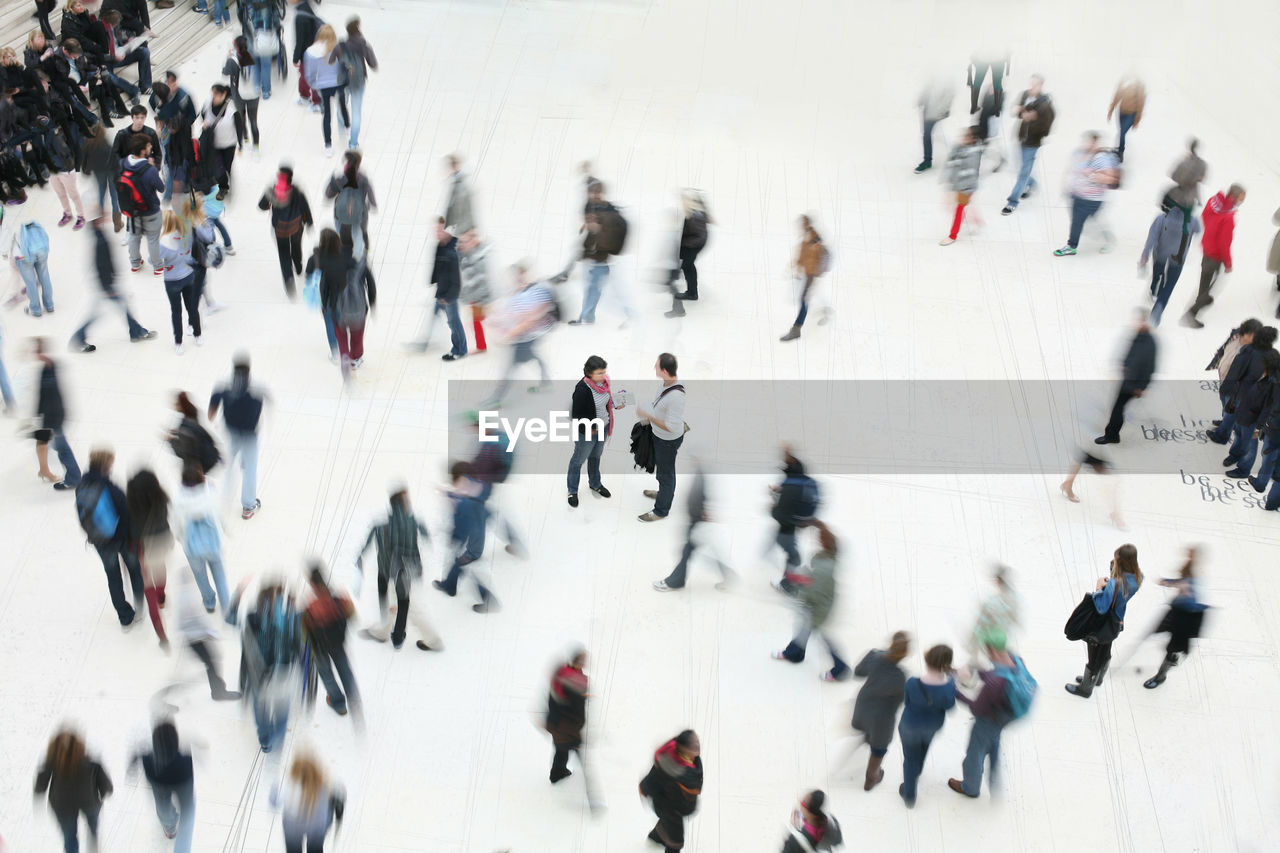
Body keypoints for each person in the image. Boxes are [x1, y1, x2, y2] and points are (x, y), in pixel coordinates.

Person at [947, 630, 1033, 798]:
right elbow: (999, 676)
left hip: (989, 720)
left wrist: (956, 692)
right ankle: (993, 774)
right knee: (993, 740)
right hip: (1007, 716)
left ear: (992, 650)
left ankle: (970, 787)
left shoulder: (994, 683)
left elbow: (976, 709)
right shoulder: (1016, 660)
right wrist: (978, 673)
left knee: (974, 754)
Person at [357, 487, 445, 651]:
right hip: (408, 571)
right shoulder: (412, 521)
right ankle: (384, 632)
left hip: (393, 573)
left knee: (410, 607)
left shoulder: (382, 526)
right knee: (399, 604)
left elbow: (368, 548)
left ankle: (433, 640)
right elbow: (427, 537)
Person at [771, 521, 849, 681]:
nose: (816, 542)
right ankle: (795, 654)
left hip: (818, 608)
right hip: (821, 603)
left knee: (822, 635)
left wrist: (798, 588)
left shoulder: (823, 568)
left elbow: (811, 591)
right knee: (804, 630)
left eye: (819, 540)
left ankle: (840, 669)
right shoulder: (829, 557)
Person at [75, 447, 145, 627]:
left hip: (100, 541)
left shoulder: (82, 486)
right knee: (134, 569)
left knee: (113, 577)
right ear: (106, 465)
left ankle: (124, 615)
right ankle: (140, 605)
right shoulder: (112, 489)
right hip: (122, 539)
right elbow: (127, 515)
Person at [1065, 543, 1143, 698]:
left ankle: (1086, 688)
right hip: (1116, 621)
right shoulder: (1138, 577)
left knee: (1094, 655)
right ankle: (1098, 679)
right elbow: (1121, 593)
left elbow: (1101, 606)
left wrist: (1100, 587)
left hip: (1102, 622)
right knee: (1105, 650)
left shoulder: (1114, 584)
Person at [232, 580, 301, 752]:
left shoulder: (253, 618)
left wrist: (238, 595)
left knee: (260, 707)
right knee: (282, 711)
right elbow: (300, 643)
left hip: (258, 673)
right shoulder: (291, 618)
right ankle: (277, 737)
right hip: (282, 671)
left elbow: (231, 620)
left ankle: (265, 740)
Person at [71, 217, 156, 351]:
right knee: (99, 313)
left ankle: (136, 332)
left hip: (107, 282)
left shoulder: (99, 237)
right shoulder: (100, 242)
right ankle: (78, 339)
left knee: (119, 307)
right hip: (107, 284)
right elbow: (103, 265)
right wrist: (110, 286)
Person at [480, 261, 555, 405]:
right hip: (532, 334)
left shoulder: (534, 293)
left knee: (510, 367)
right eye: (515, 277)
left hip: (528, 336)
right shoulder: (519, 291)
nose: (516, 280)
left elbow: (528, 321)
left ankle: (496, 399)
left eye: (520, 276)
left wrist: (508, 336)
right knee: (533, 356)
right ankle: (546, 382)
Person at [653, 459, 733, 591]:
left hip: (697, 524)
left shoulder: (700, 477)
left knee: (688, 553)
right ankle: (729, 576)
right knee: (693, 552)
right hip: (698, 523)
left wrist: (697, 518)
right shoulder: (701, 474)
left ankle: (675, 582)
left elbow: (697, 501)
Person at [846, 631, 909, 791]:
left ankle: (867, 736)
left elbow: (858, 672)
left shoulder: (874, 656)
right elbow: (901, 701)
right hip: (883, 719)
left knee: (866, 729)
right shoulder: (900, 677)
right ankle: (871, 777)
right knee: (879, 748)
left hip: (863, 706)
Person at [434, 461, 499, 613]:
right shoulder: (476, 488)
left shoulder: (465, 502)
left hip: (472, 543)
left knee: (467, 568)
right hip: (476, 537)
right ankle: (449, 586)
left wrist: (454, 537)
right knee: (459, 564)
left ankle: (489, 600)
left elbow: (462, 524)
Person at [897, 644, 956, 808]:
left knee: (910, 757)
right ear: (947, 665)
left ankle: (909, 794)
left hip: (909, 725)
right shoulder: (948, 688)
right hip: (932, 726)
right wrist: (953, 679)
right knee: (923, 748)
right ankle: (917, 771)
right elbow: (950, 707)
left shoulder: (912, 683)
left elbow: (906, 702)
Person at [34, 729, 113, 853]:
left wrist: (39, 794)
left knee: (69, 837)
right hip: (90, 801)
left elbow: (40, 784)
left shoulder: (51, 762)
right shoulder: (91, 761)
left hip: (62, 805)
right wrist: (102, 795)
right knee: (93, 824)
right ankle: (93, 841)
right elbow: (107, 786)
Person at [209, 354, 267, 520]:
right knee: (250, 469)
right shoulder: (256, 390)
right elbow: (259, 412)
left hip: (231, 432)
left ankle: (223, 504)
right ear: (249, 372)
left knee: (229, 467)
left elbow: (211, 414)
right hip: (250, 435)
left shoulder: (223, 387)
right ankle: (248, 506)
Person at [1144, 546, 1209, 689]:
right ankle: (1171, 657)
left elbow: (1182, 586)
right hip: (1177, 613)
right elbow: (1179, 582)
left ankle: (1161, 676)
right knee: (1168, 640)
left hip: (1184, 619)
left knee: (1173, 648)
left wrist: (1168, 583)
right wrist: (1166, 582)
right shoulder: (1189, 574)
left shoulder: (1190, 584)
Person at [1182, 184, 1246, 328]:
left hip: (1207, 248)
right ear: (1233, 197)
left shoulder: (1214, 202)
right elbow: (1225, 244)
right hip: (1216, 255)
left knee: (1206, 278)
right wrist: (1228, 264)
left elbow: (1204, 216)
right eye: (1241, 198)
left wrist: (1212, 231)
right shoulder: (1228, 217)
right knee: (1212, 282)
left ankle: (1202, 297)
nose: (1242, 201)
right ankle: (1192, 312)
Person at [172, 460, 230, 617]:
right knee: (220, 575)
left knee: (200, 576)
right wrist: (224, 530)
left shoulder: (178, 500)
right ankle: (227, 607)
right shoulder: (210, 494)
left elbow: (176, 526)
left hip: (192, 548)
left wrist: (181, 539)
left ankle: (209, 602)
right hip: (213, 544)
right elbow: (219, 516)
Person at [303, 564, 361, 719]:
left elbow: (304, 632)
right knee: (345, 670)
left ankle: (338, 703)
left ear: (311, 583)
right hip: (337, 643)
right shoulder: (338, 597)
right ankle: (353, 698)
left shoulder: (311, 605)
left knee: (326, 674)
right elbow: (353, 615)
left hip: (319, 647)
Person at [567, 181, 628, 325]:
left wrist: (598, 227)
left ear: (601, 193)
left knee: (602, 292)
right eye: (591, 192)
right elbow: (590, 223)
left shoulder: (609, 208)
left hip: (603, 257)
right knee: (594, 291)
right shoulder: (588, 205)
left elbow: (613, 227)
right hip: (592, 255)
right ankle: (587, 318)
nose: (594, 195)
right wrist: (588, 225)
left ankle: (630, 316)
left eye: (596, 192)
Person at [566, 355, 623, 507]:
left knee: (596, 456)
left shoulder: (605, 383)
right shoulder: (582, 389)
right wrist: (589, 428)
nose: (603, 376)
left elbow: (606, 403)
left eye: (604, 372)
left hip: (603, 427)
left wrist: (616, 404)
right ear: (589, 373)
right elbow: (576, 415)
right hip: (587, 432)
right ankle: (572, 490)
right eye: (599, 373)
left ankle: (595, 483)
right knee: (578, 460)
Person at [129, 721, 195, 852]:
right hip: (182, 780)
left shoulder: (148, 759)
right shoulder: (185, 759)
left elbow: (139, 756)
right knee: (187, 813)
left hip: (158, 781)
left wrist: (133, 763)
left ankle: (170, 828)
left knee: (162, 806)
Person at [1094, 310, 1157, 445]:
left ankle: (1111, 435)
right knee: (1118, 407)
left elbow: (1149, 367)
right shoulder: (1140, 336)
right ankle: (1112, 434)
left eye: (1141, 321)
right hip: (1129, 380)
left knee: (1118, 408)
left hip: (1132, 384)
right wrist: (1124, 365)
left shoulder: (1148, 344)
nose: (1136, 323)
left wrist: (1141, 387)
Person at [126, 468, 172, 647]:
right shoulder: (161, 500)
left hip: (142, 547)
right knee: (160, 569)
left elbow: (131, 530)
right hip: (161, 542)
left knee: (147, 588)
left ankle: (161, 635)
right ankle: (162, 597)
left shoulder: (132, 506)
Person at [1054, 132, 1120, 256]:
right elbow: (1073, 171)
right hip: (1077, 195)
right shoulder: (1080, 154)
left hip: (1092, 199)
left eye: (1092, 142)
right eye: (1087, 141)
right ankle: (1074, 245)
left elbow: (1109, 179)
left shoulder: (1101, 158)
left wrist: (1090, 174)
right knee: (1079, 222)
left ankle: (1073, 245)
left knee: (1080, 222)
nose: (1088, 144)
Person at [1211, 324, 1276, 451]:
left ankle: (1222, 435)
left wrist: (1227, 387)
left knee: (1231, 412)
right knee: (1229, 410)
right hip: (1243, 388)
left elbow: (1239, 371)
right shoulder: (1271, 353)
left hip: (1240, 390)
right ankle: (1225, 425)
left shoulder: (1253, 352)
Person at [638, 353, 686, 521]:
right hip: (660, 437)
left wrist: (649, 417)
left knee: (666, 474)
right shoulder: (666, 383)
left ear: (664, 370)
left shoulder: (676, 397)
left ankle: (661, 510)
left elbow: (672, 427)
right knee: (663, 470)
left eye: (657, 365)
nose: (654, 367)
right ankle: (663, 493)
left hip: (667, 441)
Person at [1142, 193, 1201, 326]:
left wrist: (1144, 256)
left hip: (1160, 255)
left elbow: (1151, 239)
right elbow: (1197, 231)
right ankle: (1158, 308)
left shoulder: (1162, 218)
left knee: (1157, 274)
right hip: (1178, 259)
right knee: (1169, 285)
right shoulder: (1193, 221)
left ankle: (1154, 289)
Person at [639, 730, 703, 853]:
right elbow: (654, 778)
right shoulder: (670, 767)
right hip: (671, 808)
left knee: (667, 824)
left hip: (680, 803)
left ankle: (656, 838)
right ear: (683, 749)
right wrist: (645, 788)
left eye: (696, 740)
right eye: (692, 744)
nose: (697, 744)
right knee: (676, 841)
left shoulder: (692, 760)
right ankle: (660, 839)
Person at [1001, 75, 1054, 216]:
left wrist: (1033, 120)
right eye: (1031, 83)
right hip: (1020, 138)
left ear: (1041, 85)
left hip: (1032, 144)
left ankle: (1012, 202)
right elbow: (1016, 113)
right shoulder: (1025, 94)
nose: (1032, 87)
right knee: (1020, 168)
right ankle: (1033, 184)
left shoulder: (1046, 105)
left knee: (1023, 173)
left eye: (1035, 84)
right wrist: (1020, 111)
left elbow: (1046, 130)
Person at [32, 338, 82, 490]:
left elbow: (53, 399)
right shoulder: (47, 368)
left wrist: (51, 424)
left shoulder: (49, 371)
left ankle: (73, 478)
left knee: (62, 448)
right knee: (44, 443)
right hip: (47, 417)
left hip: (52, 418)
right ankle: (44, 470)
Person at [158, 210, 210, 354]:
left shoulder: (162, 242)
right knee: (192, 308)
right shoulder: (186, 235)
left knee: (176, 312)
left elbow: (152, 260)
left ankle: (178, 342)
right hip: (188, 276)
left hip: (172, 280)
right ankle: (197, 335)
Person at [768, 447, 820, 593]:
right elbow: (798, 468)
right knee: (794, 555)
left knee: (793, 556)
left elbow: (780, 514)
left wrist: (773, 506)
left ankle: (787, 585)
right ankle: (790, 580)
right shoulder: (801, 481)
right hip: (793, 525)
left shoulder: (789, 488)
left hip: (786, 529)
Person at [1206, 318, 1263, 447]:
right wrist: (1219, 355)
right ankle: (1224, 421)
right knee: (1224, 402)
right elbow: (1225, 347)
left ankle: (1221, 436)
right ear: (1245, 332)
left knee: (1231, 412)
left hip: (1237, 388)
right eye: (1251, 335)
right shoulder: (1235, 335)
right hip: (1225, 378)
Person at [1224, 344, 1279, 479]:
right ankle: (1235, 454)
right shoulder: (1263, 372)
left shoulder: (1274, 383)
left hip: (1253, 419)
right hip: (1244, 410)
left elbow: (1268, 408)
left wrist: (1258, 427)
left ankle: (1243, 469)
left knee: (1250, 445)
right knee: (1238, 434)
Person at [271, 754, 344, 853]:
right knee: (315, 849)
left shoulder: (286, 786)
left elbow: (273, 802)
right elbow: (338, 799)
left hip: (293, 828)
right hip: (318, 827)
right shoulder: (326, 785)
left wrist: (275, 787)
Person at [258, 166, 313, 296]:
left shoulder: (272, 191)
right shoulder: (297, 191)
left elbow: (261, 206)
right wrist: (309, 222)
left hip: (279, 229)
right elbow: (305, 208)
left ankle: (288, 279)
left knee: (283, 254)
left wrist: (270, 203)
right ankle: (298, 267)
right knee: (296, 246)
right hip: (296, 227)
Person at [779, 215, 828, 341]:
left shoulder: (815, 238)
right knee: (807, 297)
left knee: (804, 299)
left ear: (807, 224)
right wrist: (794, 267)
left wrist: (817, 272)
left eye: (803, 223)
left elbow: (819, 255)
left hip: (812, 274)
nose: (800, 225)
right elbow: (801, 257)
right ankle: (825, 310)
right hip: (807, 274)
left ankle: (796, 329)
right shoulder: (805, 239)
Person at [965, 566, 1021, 675]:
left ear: (999, 581)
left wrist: (972, 639)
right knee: (1002, 657)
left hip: (991, 637)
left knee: (992, 660)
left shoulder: (992, 603)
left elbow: (980, 623)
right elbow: (1016, 620)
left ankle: (980, 672)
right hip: (1003, 636)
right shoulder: (1015, 599)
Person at [121, 135, 165, 274]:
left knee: (134, 236)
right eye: (148, 145)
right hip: (150, 210)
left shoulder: (123, 163)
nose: (151, 147)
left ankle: (135, 263)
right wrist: (153, 168)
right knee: (152, 239)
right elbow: (161, 188)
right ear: (142, 150)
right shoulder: (150, 170)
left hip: (131, 210)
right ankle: (157, 267)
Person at [545, 649, 589, 786]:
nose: (584, 664)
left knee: (561, 749)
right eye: (581, 661)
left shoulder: (562, 673)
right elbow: (576, 711)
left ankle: (558, 772)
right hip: (566, 726)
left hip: (556, 721)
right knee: (567, 750)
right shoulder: (574, 682)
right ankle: (592, 795)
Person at [303, 25, 349, 157]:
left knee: (327, 115)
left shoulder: (311, 52)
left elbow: (309, 74)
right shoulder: (339, 48)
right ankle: (347, 127)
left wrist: (314, 85)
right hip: (338, 83)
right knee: (342, 106)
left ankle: (328, 146)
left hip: (323, 86)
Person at [305, 228, 349, 360]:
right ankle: (345, 348)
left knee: (330, 322)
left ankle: (335, 352)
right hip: (343, 294)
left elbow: (308, 275)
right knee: (341, 321)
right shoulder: (345, 254)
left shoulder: (316, 258)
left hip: (326, 296)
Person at [666, 189, 711, 316]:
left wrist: (684, 244)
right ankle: (692, 292)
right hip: (694, 244)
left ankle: (692, 293)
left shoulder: (695, 214)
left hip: (693, 245)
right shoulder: (696, 211)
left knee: (687, 266)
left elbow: (696, 233)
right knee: (688, 266)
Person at [324, 149, 375, 258]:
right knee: (359, 235)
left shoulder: (340, 178)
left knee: (340, 236)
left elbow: (328, 195)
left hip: (340, 214)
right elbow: (371, 197)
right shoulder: (363, 178)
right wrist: (372, 204)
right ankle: (359, 257)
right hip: (359, 214)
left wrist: (332, 180)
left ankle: (343, 259)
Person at [2, 210, 54, 316]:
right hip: (40, 248)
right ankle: (49, 305)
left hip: (24, 255)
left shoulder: (7, 223)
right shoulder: (26, 212)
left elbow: (5, 244)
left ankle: (36, 309)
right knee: (45, 277)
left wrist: (5, 254)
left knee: (30, 283)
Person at [335, 17, 375, 149]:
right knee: (356, 111)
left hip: (344, 80)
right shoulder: (364, 45)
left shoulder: (341, 45)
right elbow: (373, 64)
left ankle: (342, 126)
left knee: (342, 104)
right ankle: (353, 143)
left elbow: (333, 62)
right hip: (358, 81)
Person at [939, 125, 983, 246]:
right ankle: (978, 221)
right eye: (965, 134)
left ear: (974, 139)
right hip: (959, 185)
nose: (964, 137)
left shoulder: (974, 155)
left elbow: (970, 172)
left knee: (959, 210)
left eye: (968, 135)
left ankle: (953, 235)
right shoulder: (963, 146)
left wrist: (961, 186)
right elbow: (951, 158)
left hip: (966, 187)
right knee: (964, 206)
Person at [432, 219, 466, 361]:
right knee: (450, 321)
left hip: (449, 294)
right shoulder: (440, 246)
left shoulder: (453, 251)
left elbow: (457, 279)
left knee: (453, 322)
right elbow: (436, 266)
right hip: (442, 290)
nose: (437, 233)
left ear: (448, 231)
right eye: (436, 230)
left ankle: (459, 350)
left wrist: (448, 296)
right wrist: (433, 280)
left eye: (440, 230)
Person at [197, 84, 237, 199]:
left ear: (223, 95)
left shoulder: (231, 109)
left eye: (216, 94)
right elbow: (202, 114)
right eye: (212, 93)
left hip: (228, 144)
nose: (213, 96)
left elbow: (239, 126)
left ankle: (226, 178)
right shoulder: (208, 103)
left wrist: (241, 143)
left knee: (226, 166)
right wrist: (204, 123)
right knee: (217, 166)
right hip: (213, 143)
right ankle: (223, 187)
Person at [457, 228, 492, 352]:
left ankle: (481, 347)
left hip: (479, 296)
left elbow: (483, 279)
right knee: (477, 321)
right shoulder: (472, 252)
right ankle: (481, 345)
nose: (467, 243)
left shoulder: (479, 255)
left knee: (477, 321)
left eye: (470, 239)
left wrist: (480, 298)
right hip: (476, 295)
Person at [224, 37, 261, 155]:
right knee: (253, 121)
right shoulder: (252, 57)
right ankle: (256, 149)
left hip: (238, 95)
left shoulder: (232, 61)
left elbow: (225, 73)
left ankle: (245, 138)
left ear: (236, 47)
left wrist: (227, 58)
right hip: (254, 95)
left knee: (241, 118)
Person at [915, 77, 954, 174]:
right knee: (926, 135)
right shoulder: (932, 78)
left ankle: (928, 160)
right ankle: (927, 160)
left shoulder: (948, 81)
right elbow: (926, 90)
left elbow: (949, 96)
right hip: (928, 110)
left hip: (936, 112)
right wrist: (921, 100)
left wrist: (941, 110)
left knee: (927, 135)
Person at [1107, 76, 1145, 161]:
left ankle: (1120, 153)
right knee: (1121, 132)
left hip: (1131, 114)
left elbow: (1141, 104)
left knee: (1122, 132)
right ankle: (1119, 150)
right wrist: (1110, 110)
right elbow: (1117, 97)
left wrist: (1137, 121)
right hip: (1121, 112)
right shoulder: (1125, 83)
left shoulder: (1139, 87)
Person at [1168, 138, 1207, 210]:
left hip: (1179, 196)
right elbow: (1202, 179)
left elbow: (1173, 176)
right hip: (1191, 197)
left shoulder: (1184, 162)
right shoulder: (1202, 164)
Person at [443, 153, 476, 233]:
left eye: (453, 164)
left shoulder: (462, 183)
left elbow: (461, 207)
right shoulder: (454, 181)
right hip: (458, 228)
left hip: (462, 228)